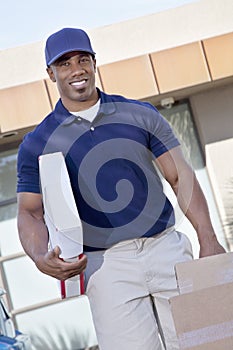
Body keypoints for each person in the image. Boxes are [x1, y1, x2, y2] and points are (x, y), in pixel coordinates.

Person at [17, 27, 226, 350]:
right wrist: (38, 256)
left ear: (94, 63)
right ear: (50, 73)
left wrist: (208, 239)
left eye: (82, 59)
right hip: (105, 266)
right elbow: (30, 212)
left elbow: (180, 177)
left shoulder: (139, 114)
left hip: (166, 249)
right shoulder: (37, 142)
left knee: (204, 343)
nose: (76, 70)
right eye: (64, 64)